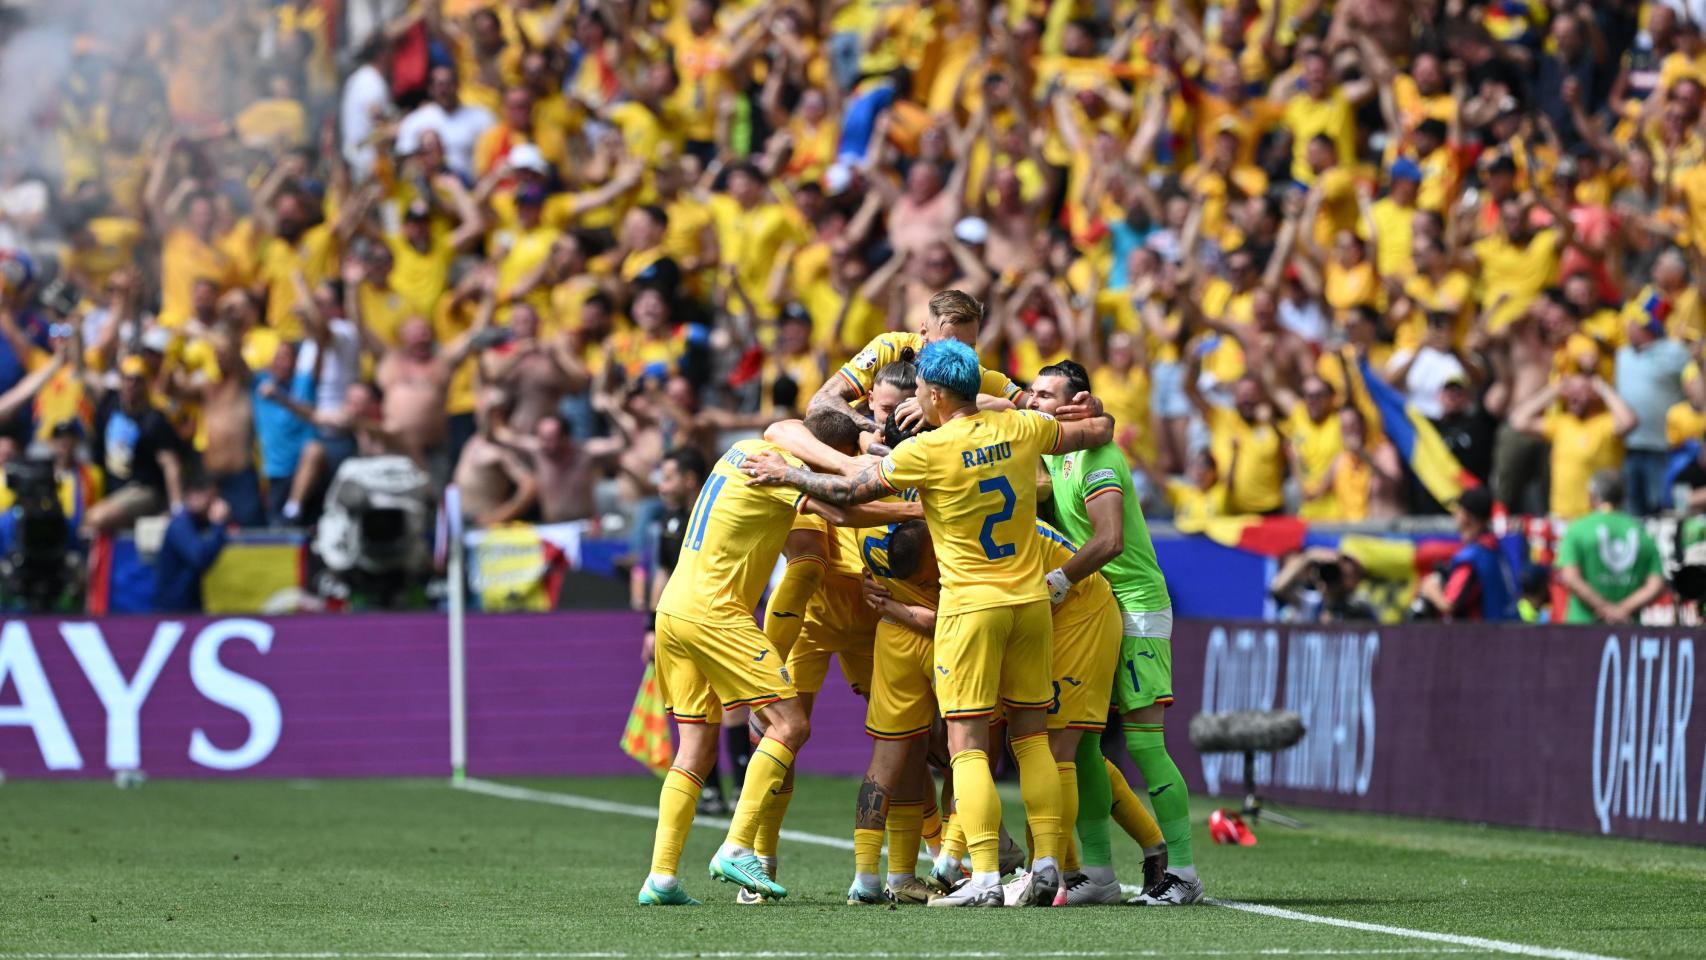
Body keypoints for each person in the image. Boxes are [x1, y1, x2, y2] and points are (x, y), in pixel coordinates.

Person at [741, 335, 1115, 907]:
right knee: (1032, 739)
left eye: (919, 389)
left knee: (965, 746)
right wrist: (1093, 411)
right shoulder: (1022, 429)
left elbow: (846, 490)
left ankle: (985, 875)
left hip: (969, 609)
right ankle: (1045, 864)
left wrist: (788, 476)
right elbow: (1100, 432)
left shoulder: (927, 453)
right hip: (1031, 605)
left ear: (936, 393)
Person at [636, 412, 899, 906]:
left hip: (673, 607)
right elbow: (841, 514)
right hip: (716, 612)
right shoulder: (776, 467)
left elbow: (803, 542)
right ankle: (737, 846)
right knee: (790, 725)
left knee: (694, 747)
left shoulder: (738, 453)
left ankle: (662, 878)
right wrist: (919, 510)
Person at [1027, 360, 1193, 905]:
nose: (1035, 401)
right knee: (1088, 746)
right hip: (1097, 612)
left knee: (1146, 747)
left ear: (1078, 402)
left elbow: (1112, 539)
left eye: (1047, 394)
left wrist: (1058, 579)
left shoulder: (1098, 455)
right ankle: (1099, 875)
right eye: (1033, 391)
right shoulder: (1057, 450)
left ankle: (1184, 874)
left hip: (1136, 606)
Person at [85, 356, 185, 533]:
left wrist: (177, 508)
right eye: (127, 378)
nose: (131, 384)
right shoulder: (109, 403)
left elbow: (170, 464)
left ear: (145, 384)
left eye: (137, 380)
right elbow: (81, 372)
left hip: (142, 489)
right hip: (112, 487)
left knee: (96, 518)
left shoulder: (154, 419)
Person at [1556, 471, 1668, 625]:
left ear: (1591, 495)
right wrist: (1621, 610)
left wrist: (1604, 607)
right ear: (1623, 498)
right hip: (1626, 631)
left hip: (1582, 629)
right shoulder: (1642, 532)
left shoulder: (1577, 530)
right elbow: (1656, 584)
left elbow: (1570, 577)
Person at [1418, 487, 1519, 623]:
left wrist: (1429, 589)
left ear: (1466, 516)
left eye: (1458, 511)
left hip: (1484, 637)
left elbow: (1449, 604)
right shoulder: (1496, 550)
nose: (1455, 516)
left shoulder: (1471, 557)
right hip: (1510, 630)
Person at [153, 473, 230, 613]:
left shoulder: (199, 524)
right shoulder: (180, 525)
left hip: (190, 608)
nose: (214, 505)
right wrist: (218, 526)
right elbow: (200, 558)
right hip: (173, 612)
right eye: (211, 499)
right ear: (192, 496)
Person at [1270, 548, 1380, 623]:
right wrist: (1308, 557)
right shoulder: (1313, 604)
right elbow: (1277, 588)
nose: (1333, 578)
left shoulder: (1360, 607)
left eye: (1344, 575)